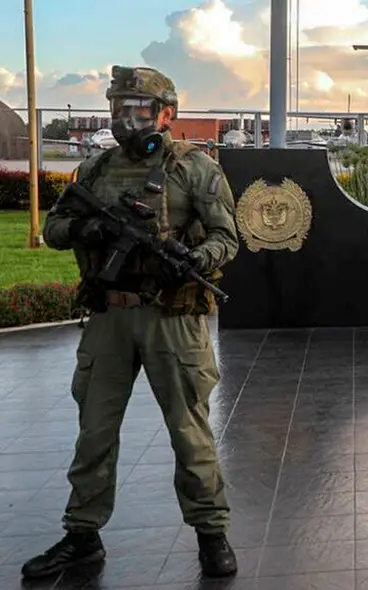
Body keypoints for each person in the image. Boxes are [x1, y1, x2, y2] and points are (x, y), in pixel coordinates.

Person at [23, 66, 238, 579]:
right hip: (109, 316)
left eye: (138, 108)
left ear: (167, 113)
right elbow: (54, 228)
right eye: (118, 106)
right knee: (94, 431)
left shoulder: (196, 168)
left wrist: (190, 257)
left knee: (190, 432)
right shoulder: (95, 171)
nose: (126, 117)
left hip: (173, 317)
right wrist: (89, 228)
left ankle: (211, 533)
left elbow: (227, 238)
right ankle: (82, 535)